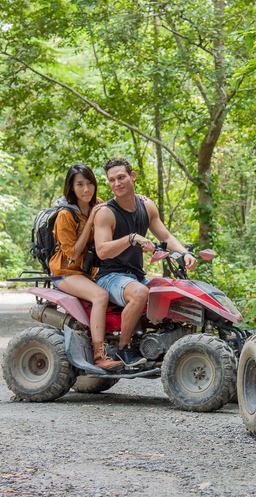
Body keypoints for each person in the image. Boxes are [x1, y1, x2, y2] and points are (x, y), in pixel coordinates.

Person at [94, 157, 197, 367]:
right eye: (111, 180)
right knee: (140, 292)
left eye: (121, 177)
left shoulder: (146, 205)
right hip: (110, 277)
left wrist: (185, 253)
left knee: (176, 289)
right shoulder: (106, 212)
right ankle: (123, 348)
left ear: (132, 176)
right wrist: (131, 238)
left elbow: (166, 237)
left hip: (136, 276)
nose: (116, 184)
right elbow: (102, 251)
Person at [49, 163, 123, 371]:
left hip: (88, 272)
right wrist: (90, 219)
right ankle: (100, 356)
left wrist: (140, 200)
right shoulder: (65, 215)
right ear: (71, 188)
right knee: (100, 296)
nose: (86, 189)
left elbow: (120, 207)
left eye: (89, 183)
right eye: (80, 184)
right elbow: (72, 254)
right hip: (66, 272)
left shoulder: (98, 203)